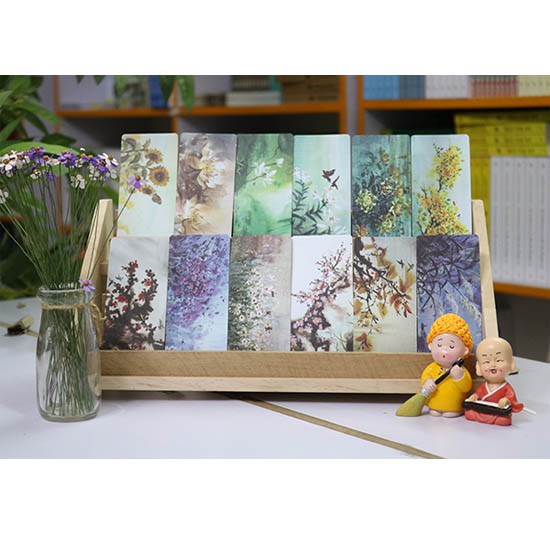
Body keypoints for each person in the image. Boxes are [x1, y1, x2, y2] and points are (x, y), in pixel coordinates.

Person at [420, 313, 473, 417]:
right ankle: (435, 407)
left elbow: (466, 387)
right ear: (431, 346)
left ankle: (453, 409)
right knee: (434, 412)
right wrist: (427, 382)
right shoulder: (431, 368)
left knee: (450, 413)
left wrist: (459, 377)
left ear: (465, 350)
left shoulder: (461, 370)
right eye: (439, 345)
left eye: (451, 346)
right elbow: (424, 378)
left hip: (454, 406)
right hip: (433, 404)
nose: (444, 351)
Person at [464, 337, 523, 426]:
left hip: (497, 413)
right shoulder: (484, 386)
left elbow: (511, 398)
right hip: (483, 410)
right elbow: (478, 394)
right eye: (487, 362)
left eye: (499, 360)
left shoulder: (506, 388)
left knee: (503, 420)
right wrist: (474, 396)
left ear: (511, 364)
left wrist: (506, 400)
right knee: (469, 414)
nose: (493, 365)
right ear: (478, 367)